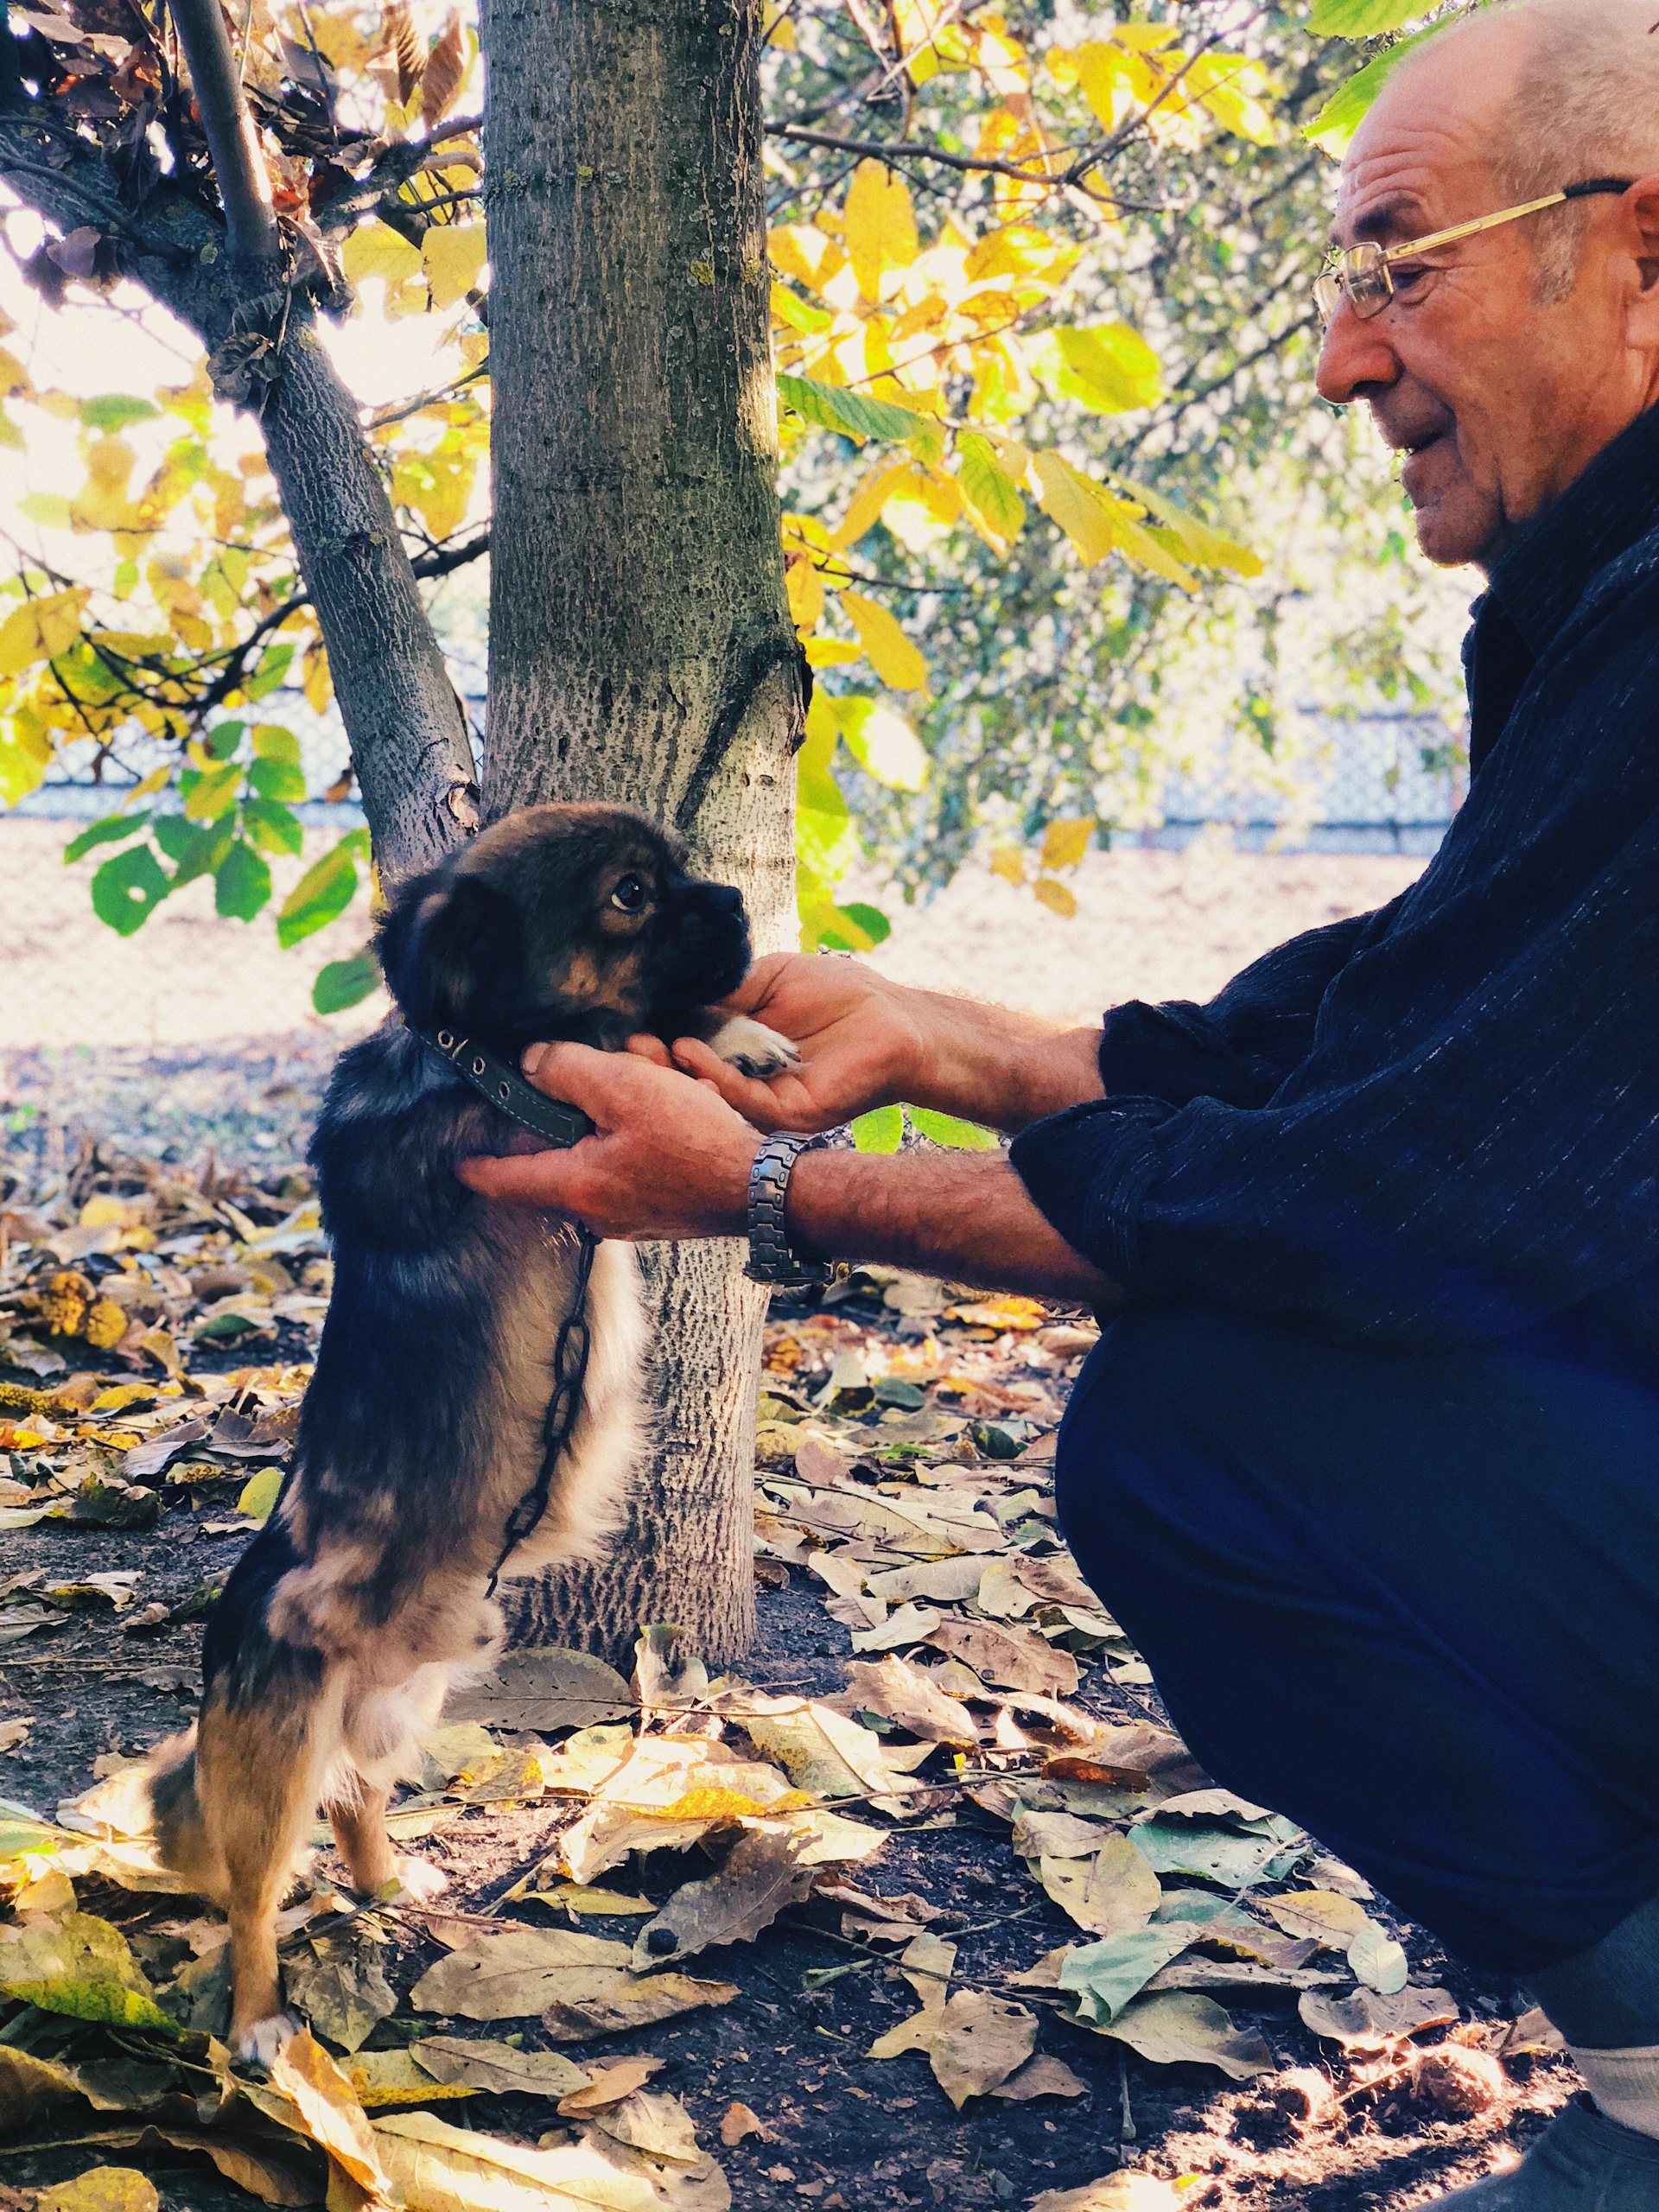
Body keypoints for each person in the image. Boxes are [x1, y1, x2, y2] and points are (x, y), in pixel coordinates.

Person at [461, 1, 1659, 2198]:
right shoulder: (1605, 616)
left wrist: (782, 1192)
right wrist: (934, 1036)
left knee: (1224, 1425)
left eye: (1399, 260)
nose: (1337, 359)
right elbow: (1385, 1026)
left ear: (1639, 247)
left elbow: (1374, 1193)